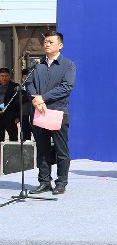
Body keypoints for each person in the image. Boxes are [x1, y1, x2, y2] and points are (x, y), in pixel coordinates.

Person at [25, 31, 76, 195]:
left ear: (60, 45)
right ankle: (44, 182)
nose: (47, 44)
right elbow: (29, 83)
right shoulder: (37, 65)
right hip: (39, 112)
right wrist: (35, 98)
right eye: (45, 41)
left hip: (57, 112)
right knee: (42, 149)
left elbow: (66, 87)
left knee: (61, 149)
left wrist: (43, 98)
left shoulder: (68, 65)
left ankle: (61, 182)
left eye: (51, 42)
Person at [0, 67, 21, 141]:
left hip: (11, 116)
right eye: (2, 76)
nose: (4, 78)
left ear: (9, 76)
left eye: (6, 76)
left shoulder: (15, 86)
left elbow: (19, 102)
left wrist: (18, 116)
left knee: (13, 138)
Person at [19, 68, 33, 141]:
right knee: (25, 134)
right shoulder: (20, 88)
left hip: (34, 113)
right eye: (25, 78)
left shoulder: (35, 88)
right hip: (24, 113)